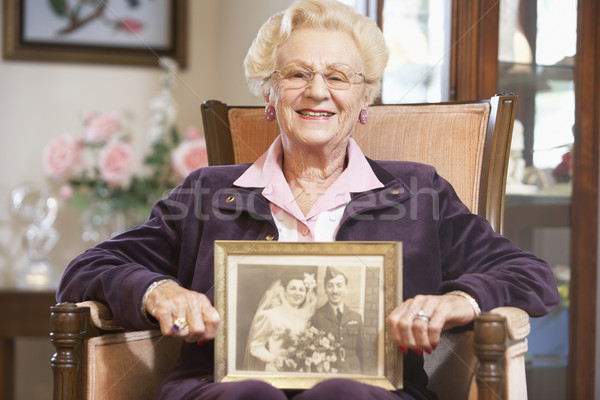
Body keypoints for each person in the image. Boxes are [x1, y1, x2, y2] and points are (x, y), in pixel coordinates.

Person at [56, 0, 560, 399]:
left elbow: (529, 275)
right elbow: (90, 266)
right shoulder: (207, 193)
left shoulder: (420, 193)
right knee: (246, 395)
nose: (317, 91)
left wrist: (455, 301)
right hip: (221, 390)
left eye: (338, 77)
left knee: (342, 393)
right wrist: (158, 291)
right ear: (270, 96)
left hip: (371, 392)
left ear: (364, 100)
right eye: (297, 74)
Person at [245, 269, 317, 371]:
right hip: (276, 369)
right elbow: (255, 346)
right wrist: (275, 359)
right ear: (283, 291)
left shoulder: (306, 317)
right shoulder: (269, 315)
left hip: (300, 370)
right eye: (293, 288)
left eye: (301, 290)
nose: (297, 293)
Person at [311, 267, 369, 374]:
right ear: (325, 289)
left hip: (353, 372)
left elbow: (363, 352)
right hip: (327, 371)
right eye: (330, 286)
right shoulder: (316, 316)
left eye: (339, 285)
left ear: (346, 288)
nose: (335, 291)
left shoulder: (356, 317)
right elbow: (312, 350)